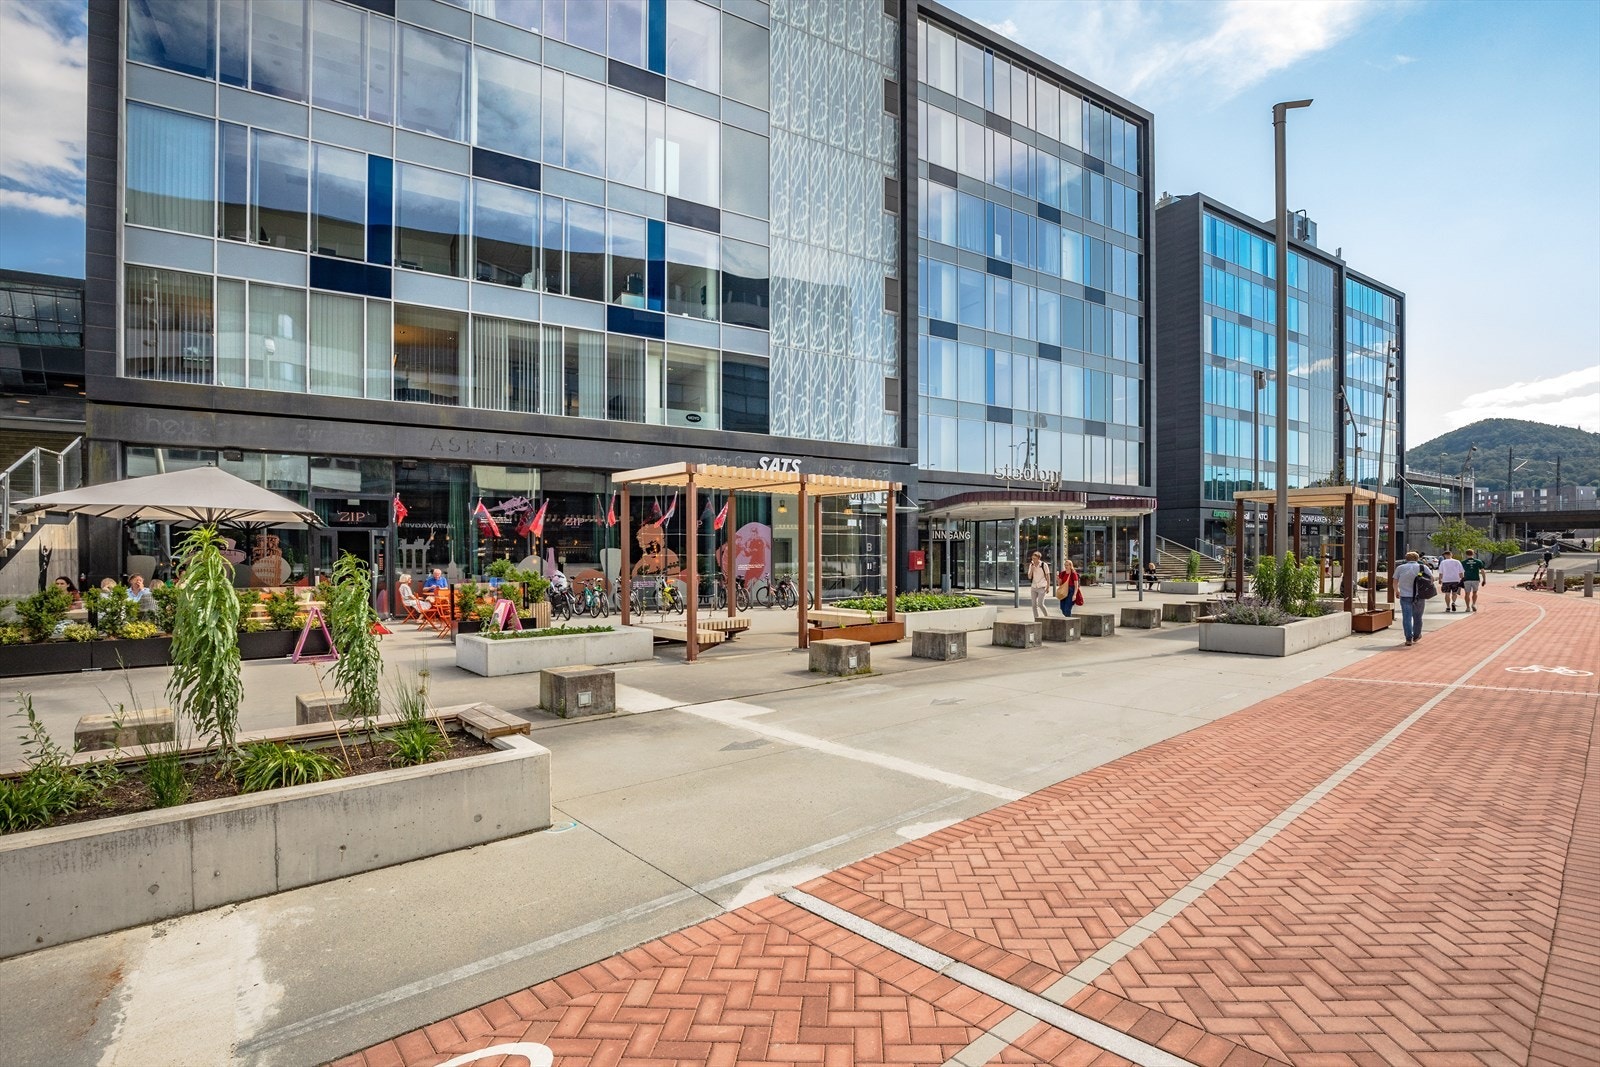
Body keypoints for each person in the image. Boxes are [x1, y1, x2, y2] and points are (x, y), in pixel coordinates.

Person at [1393, 550, 1433, 647]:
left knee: (1407, 617)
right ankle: (1416, 635)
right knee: (1418, 617)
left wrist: (1397, 591)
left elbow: (1395, 581)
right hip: (1419, 596)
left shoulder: (1400, 568)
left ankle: (1408, 638)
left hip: (1405, 595)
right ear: (1417, 558)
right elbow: (1431, 579)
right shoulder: (1423, 567)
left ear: (1406, 559)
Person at [1460, 548, 1486, 612]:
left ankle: (1468, 607)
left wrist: (1460, 579)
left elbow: (1460, 572)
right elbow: (1482, 571)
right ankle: (1473, 604)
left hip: (1467, 579)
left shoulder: (1463, 562)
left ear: (1466, 554)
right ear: (1473, 554)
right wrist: (1484, 579)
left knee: (1467, 593)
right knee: (1475, 592)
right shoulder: (1478, 561)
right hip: (1475, 579)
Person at [1026, 551, 1050, 620]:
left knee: (1040, 604)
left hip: (1042, 586)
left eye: (1035, 558)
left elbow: (1048, 576)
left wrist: (1048, 587)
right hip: (1034, 586)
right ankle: (1036, 619)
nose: (1033, 560)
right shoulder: (1031, 565)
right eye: (1032, 558)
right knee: (1034, 605)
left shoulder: (1043, 565)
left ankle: (1047, 617)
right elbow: (1029, 577)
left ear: (1039, 558)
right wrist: (1032, 570)